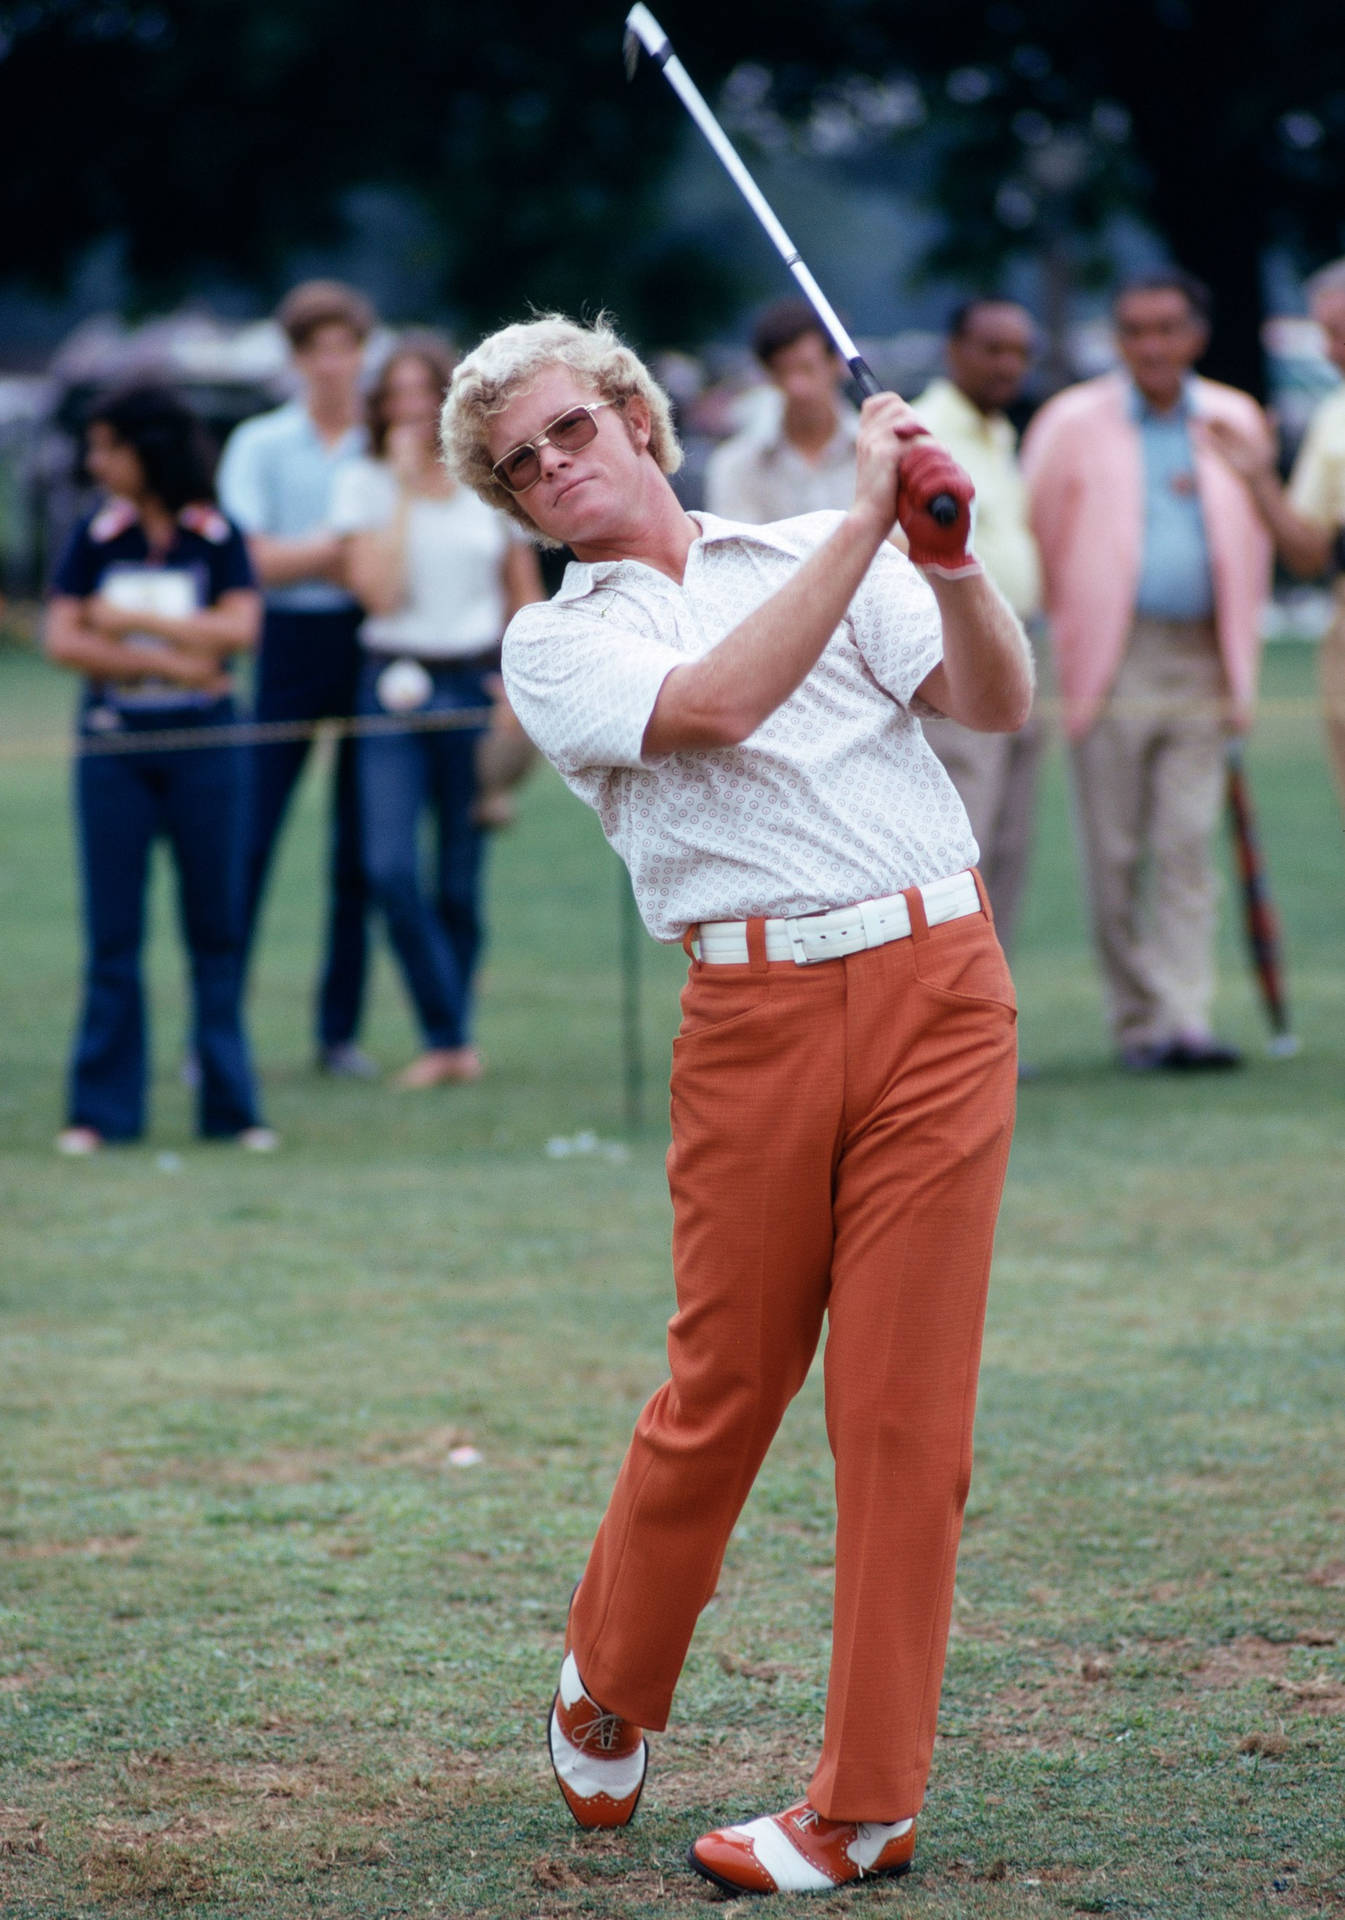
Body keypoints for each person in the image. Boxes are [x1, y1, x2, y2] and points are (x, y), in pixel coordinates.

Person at [441, 313, 1032, 1897]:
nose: (553, 468)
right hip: (755, 1012)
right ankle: (612, 1674)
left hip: (940, 986)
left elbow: (995, 703)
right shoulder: (555, 641)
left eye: (571, 429)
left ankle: (867, 1803)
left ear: (636, 417)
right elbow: (711, 706)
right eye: (519, 466)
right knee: (729, 1385)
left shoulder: (798, 546)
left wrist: (951, 561)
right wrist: (863, 526)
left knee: (906, 1419)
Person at [1021, 270, 1273, 1071]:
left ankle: (1182, 1019)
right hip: (1110, 658)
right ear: (1117, 339)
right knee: (1114, 849)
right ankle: (1135, 1021)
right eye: (1135, 331)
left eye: (1167, 329)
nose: (1152, 346)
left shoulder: (1233, 416)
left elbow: (1261, 534)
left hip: (1203, 654)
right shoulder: (1071, 421)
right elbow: (1039, 534)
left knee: (1186, 842)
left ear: (1195, 336)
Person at [44, 384, 274, 1155]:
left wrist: (135, 624)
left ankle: (231, 1106)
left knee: (215, 930)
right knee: (114, 935)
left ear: (149, 450)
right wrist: (186, 661)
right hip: (114, 750)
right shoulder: (95, 533)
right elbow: (63, 640)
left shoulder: (215, 534)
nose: (94, 461)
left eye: (108, 446)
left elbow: (238, 629)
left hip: (207, 752)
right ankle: (100, 1111)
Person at [330, 334, 544, 1088]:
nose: (412, 409)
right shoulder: (363, 485)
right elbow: (379, 595)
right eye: (397, 395)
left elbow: (525, 595)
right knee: (389, 867)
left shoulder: (488, 485)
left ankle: (451, 1040)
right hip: (391, 682)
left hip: (472, 688)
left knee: (459, 878)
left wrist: (519, 688)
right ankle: (446, 1031)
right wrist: (396, 486)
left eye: (425, 393)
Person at [217, 279, 377, 1078]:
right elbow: (246, 561)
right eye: (316, 351)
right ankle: (217, 1030)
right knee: (248, 840)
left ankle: (337, 1033)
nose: (333, 365)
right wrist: (331, 551)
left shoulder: (381, 444)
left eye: (345, 348)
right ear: (297, 359)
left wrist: (305, 552)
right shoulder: (260, 443)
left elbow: (382, 563)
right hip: (284, 641)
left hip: (365, 640)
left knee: (357, 848)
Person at [912, 301, 1045, 958]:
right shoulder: (923, 433)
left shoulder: (999, 433)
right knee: (963, 844)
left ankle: (988, 1014)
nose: (1007, 366)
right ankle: (948, 1011)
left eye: (1018, 352)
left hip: (1020, 647)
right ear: (954, 350)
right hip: (955, 653)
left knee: (1011, 845)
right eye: (992, 349)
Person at [1203, 257, 1345, 815]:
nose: (1332, 351)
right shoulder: (1334, 416)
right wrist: (1259, 477)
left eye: (1340, 333)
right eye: (1327, 335)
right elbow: (1309, 554)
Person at [704, 299, 859, 522]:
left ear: (836, 363)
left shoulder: (882, 451)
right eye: (782, 372)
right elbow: (736, 552)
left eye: (807, 369)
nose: (796, 386)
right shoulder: (734, 465)